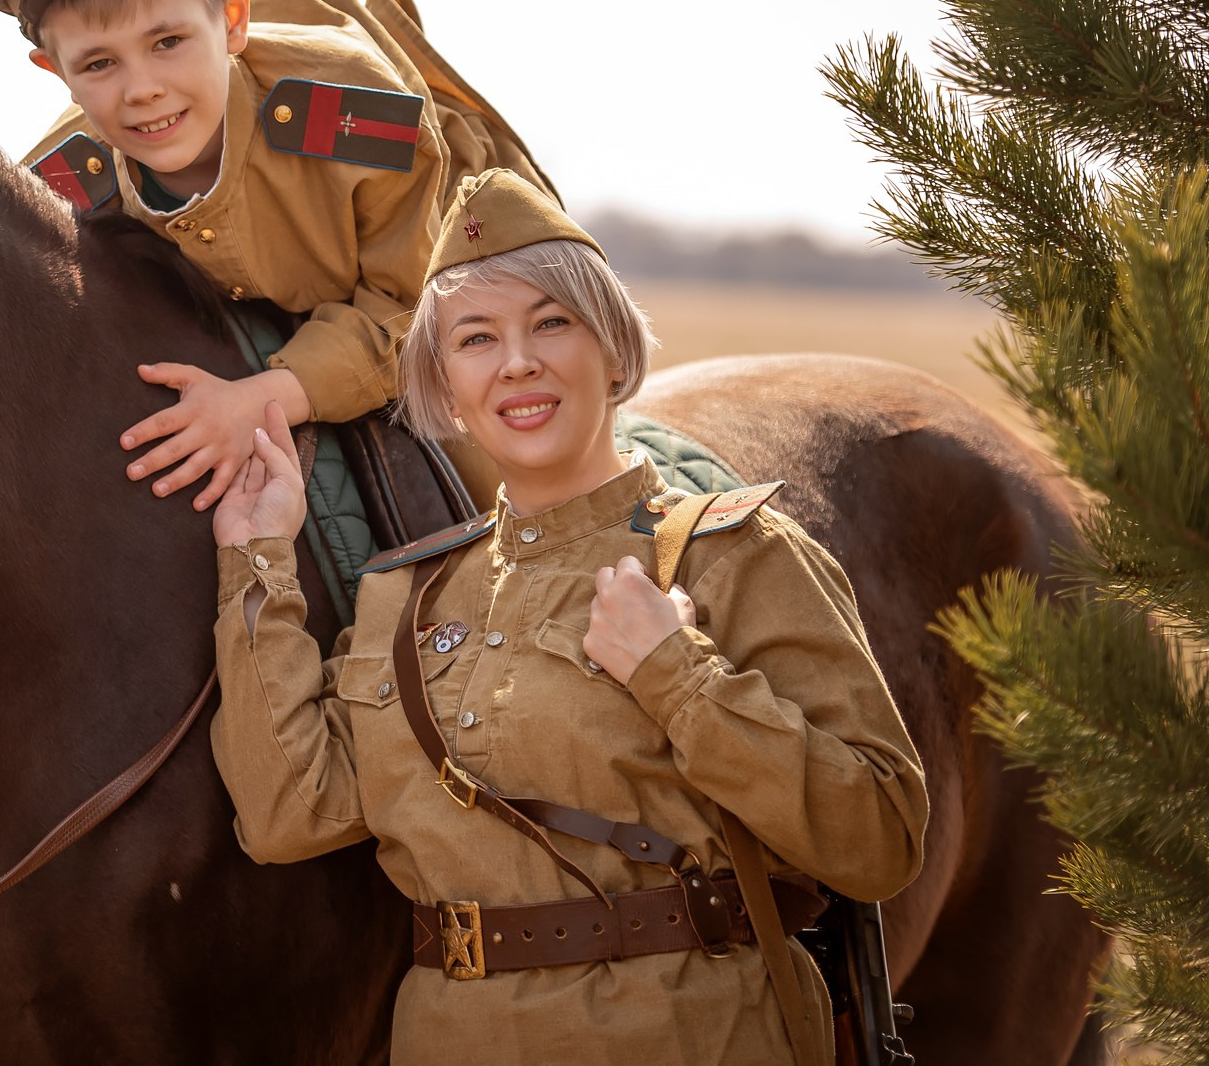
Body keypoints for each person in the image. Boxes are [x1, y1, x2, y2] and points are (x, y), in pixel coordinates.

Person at [205, 168, 928, 1065]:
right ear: (443, 384)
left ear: (615, 354)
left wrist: (679, 676)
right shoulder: (406, 593)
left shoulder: (733, 553)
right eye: (476, 338)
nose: (517, 361)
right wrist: (257, 556)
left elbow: (881, 840)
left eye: (552, 322)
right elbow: (288, 815)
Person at [0, 0, 548, 510]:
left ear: (232, 17)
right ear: (56, 72)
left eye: (168, 42)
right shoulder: (56, 185)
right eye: (99, 64)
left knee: (516, 474)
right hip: (284, 310)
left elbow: (419, 306)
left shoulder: (355, 113)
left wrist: (263, 397)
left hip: (459, 268)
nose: (143, 90)